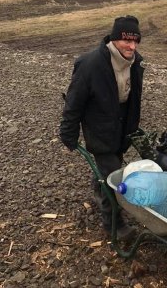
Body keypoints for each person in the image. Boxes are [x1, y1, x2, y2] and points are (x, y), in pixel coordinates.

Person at [59, 15, 145, 241]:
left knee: (109, 170)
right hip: (99, 129)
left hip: (121, 128)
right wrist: (68, 132)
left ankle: (100, 187)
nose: (132, 46)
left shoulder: (135, 63)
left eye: (136, 41)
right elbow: (74, 102)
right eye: (127, 41)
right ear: (115, 39)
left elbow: (132, 98)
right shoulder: (90, 65)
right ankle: (115, 226)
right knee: (114, 178)